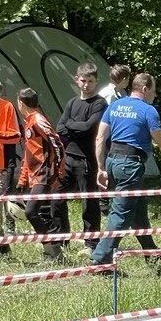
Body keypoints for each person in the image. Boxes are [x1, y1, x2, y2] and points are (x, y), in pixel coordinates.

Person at [89, 73, 161, 266]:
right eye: (154, 90)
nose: (155, 95)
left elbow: (100, 138)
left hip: (113, 161)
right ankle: (99, 259)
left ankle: (150, 251)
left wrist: (100, 167)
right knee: (121, 214)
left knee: (138, 208)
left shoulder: (115, 106)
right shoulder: (148, 110)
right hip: (130, 164)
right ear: (146, 89)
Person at [56, 62, 108, 250]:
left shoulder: (100, 103)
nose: (86, 85)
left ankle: (91, 242)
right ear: (76, 80)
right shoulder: (72, 102)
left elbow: (88, 127)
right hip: (68, 157)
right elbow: (60, 127)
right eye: (83, 81)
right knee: (56, 197)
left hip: (88, 159)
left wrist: (72, 125)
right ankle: (61, 239)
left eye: (90, 81)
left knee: (89, 202)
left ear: (96, 81)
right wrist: (74, 125)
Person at [16, 88, 69, 261]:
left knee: (31, 212)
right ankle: (55, 247)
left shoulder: (38, 119)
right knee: (41, 211)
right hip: (34, 174)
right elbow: (28, 153)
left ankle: (52, 250)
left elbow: (57, 144)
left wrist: (58, 170)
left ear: (21, 103)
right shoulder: (28, 120)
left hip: (44, 173)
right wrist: (23, 177)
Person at [0, 80, 21, 254]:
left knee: (4, 199)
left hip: (4, 164)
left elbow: (14, 135)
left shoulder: (7, 107)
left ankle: (6, 241)